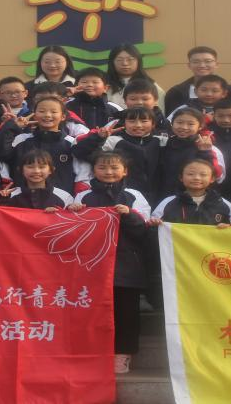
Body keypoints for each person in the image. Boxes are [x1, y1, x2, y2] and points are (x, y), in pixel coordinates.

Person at [68, 151, 151, 375]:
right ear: (93, 171)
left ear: (125, 171)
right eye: (102, 167)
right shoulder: (83, 196)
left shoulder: (134, 195)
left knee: (126, 312)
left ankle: (123, 353)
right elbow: (74, 231)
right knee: (93, 312)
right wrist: (75, 213)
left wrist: (129, 215)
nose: (108, 172)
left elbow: (144, 229)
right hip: (93, 264)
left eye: (114, 168)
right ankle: (94, 352)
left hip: (127, 263)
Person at [0, 97, 85, 193]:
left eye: (53, 112)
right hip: (23, 198)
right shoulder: (21, 140)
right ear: (34, 115)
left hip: (61, 199)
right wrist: (12, 126)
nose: (47, 115)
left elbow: (82, 174)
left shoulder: (72, 143)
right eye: (42, 111)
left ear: (63, 116)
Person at [149, 159, 231, 226]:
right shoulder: (168, 203)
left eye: (203, 175)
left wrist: (228, 228)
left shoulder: (224, 205)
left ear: (212, 179)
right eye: (190, 174)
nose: (196, 178)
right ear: (181, 177)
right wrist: (155, 223)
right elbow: (153, 225)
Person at [0, 150, 74, 211]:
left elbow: (71, 220)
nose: (36, 171)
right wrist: (0, 200)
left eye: (41, 167)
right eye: (30, 167)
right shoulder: (9, 196)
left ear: (51, 170)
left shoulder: (64, 197)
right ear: (21, 170)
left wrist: (60, 213)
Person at [106, 44, 166, 110]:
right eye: (119, 60)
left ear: (138, 61)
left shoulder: (151, 86)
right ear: (112, 62)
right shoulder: (104, 85)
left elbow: (160, 111)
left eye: (130, 59)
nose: (125, 63)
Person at [164, 46, 221, 115]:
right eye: (196, 62)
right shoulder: (176, 92)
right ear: (189, 65)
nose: (202, 65)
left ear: (216, 64)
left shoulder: (229, 91)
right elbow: (170, 119)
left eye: (208, 61)